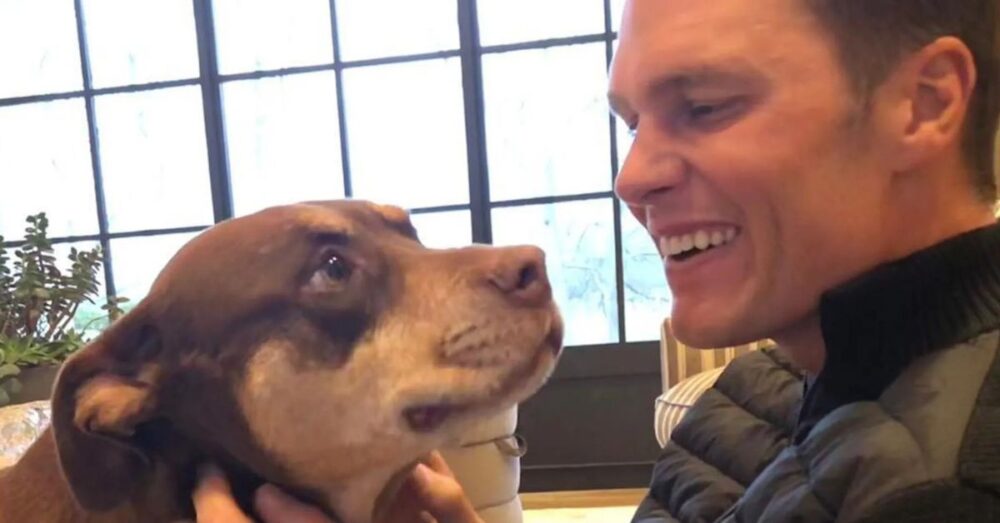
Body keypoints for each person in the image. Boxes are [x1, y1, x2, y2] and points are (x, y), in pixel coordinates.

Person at [195, 0, 1000, 520]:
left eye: (704, 107)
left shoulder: (942, 491)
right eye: (633, 123)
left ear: (922, 103)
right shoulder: (772, 379)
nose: (632, 176)